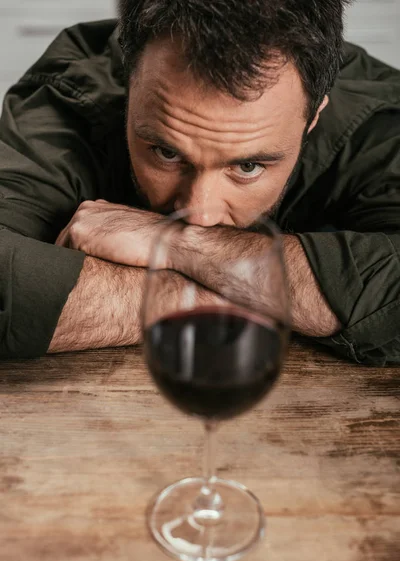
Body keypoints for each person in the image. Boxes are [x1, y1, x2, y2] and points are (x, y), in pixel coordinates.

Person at [0, 0, 399, 365]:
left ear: (313, 118)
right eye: (167, 153)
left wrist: (175, 244)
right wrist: (280, 296)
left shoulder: (380, 126)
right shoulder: (66, 99)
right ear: (128, 86)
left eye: (248, 167)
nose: (201, 214)